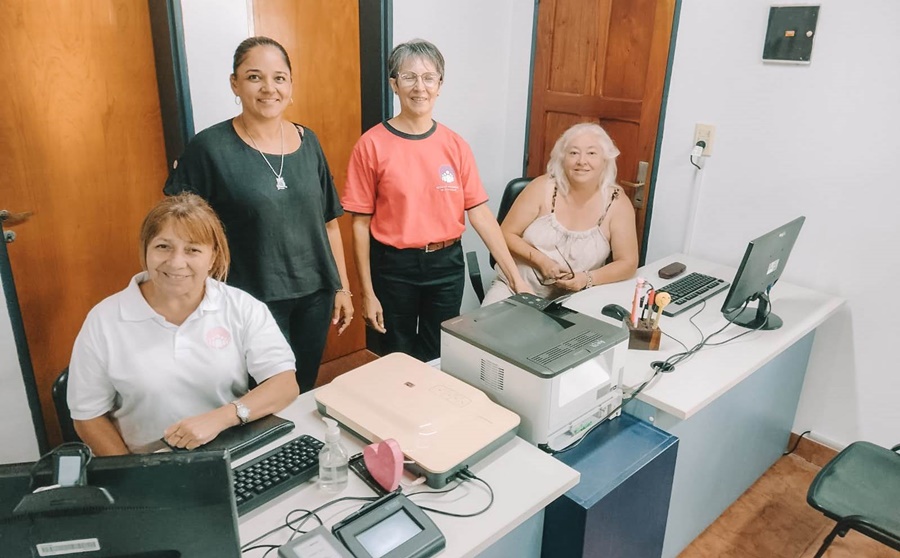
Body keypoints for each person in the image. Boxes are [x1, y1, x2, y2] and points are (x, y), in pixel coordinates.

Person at [164, 36, 352, 393]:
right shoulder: (209, 148)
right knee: (261, 394)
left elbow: (329, 223)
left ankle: (297, 448)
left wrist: (342, 287)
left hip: (315, 295)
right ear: (234, 84)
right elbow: (182, 232)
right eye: (254, 77)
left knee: (303, 385)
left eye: (279, 78)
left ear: (291, 86)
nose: (269, 88)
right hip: (250, 300)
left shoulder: (308, 142)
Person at [68, 194, 299, 455]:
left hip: (232, 447)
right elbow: (87, 416)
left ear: (213, 258)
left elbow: (284, 384)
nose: (176, 262)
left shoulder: (242, 307)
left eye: (193, 250)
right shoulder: (104, 319)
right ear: (146, 250)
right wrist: (131, 476)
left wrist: (222, 417)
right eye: (163, 247)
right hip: (152, 462)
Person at [342, 38, 528, 362]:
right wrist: (367, 293)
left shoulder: (455, 145)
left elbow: (480, 214)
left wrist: (516, 278)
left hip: (446, 266)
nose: (420, 87)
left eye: (429, 77)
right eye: (409, 77)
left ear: (440, 85)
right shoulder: (371, 145)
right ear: (394, 84)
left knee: (439, 354)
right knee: (394, 358)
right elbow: (360, 224)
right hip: (393, 268)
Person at [481, 122, 639, 305]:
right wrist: (541, 261)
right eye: (573, 153)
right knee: (483, 332)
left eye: (591, 153)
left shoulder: (617, 203)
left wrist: (586, 279)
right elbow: (505, 234)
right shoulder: (541, 188)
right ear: (562, 158)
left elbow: (627, 263)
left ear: (605, 159)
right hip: (516, 286)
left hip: (578, 298)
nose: (581, 161)